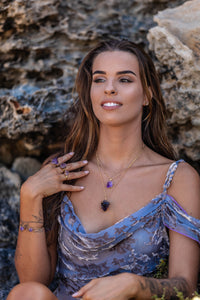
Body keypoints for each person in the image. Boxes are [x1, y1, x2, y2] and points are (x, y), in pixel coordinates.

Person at [7, 39, 200, 300]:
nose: (109, 88)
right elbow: (33, 281)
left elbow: (185, 287)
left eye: (125, 80)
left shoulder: (177, 178)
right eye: (99, 80)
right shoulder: (61, 170)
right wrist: (30, 196)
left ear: (147, 95)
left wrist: (134, 285)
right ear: (90, 92)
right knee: (28, 293)